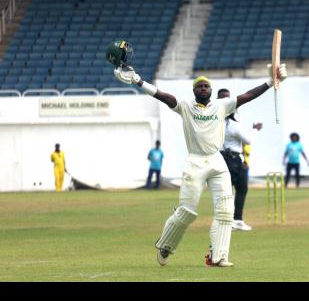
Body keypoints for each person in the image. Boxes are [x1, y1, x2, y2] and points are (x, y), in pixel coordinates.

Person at [111, 48, 287, 267]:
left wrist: (270, 83)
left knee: (225, 210)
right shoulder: (186, 106)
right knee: (186, 212)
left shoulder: (221, 106)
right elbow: (163, 96)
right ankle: (165, 245)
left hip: (216, 160)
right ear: (194, 90)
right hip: (195, 162)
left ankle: (218, 256)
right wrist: (138, 81)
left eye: (206, 86)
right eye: (199, 86)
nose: (203, 88)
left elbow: (247, 96)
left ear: (211, 91)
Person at [217, 88, 263, 232]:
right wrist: (255, 129)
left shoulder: (216, 121)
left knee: (229, 191)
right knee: (238, 189)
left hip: (223, 158)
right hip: (232, 159)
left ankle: (231, 220)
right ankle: (234, 220)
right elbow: (248, 140)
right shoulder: (232, 123)